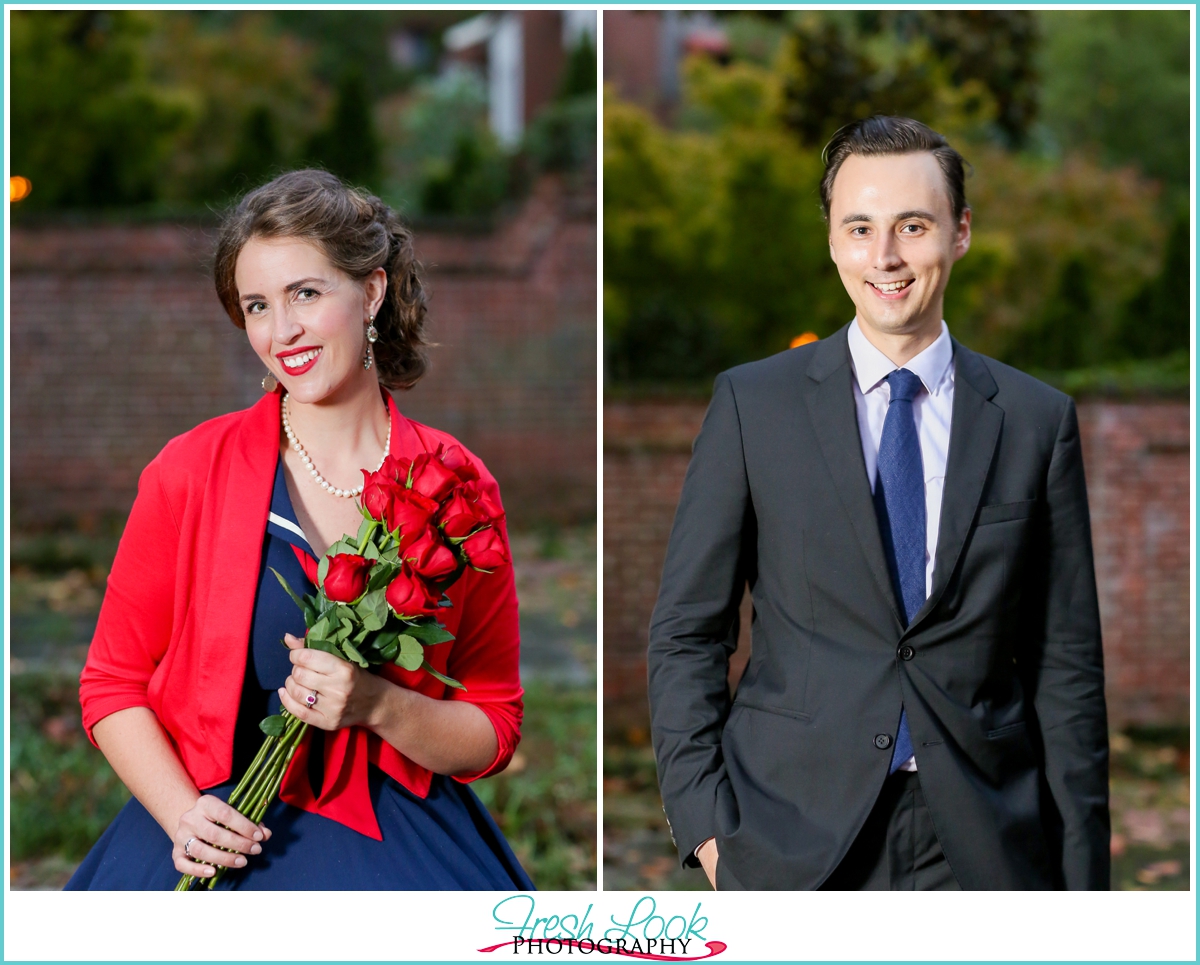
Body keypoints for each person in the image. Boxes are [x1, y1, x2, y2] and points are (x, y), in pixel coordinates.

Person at [647, 116, 1109, 891]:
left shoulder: (1036, 421)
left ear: (959, 233)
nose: (885, 256)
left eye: (913, 226)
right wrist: (707, 828)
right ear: (831, 239)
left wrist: (1085, 886)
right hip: (789, 837)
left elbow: (1065, 668)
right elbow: (687, 632)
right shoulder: (751, 406)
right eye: (860, 227)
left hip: (985, 843)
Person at [68, 170, 534, 890]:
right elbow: (112, 682)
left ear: (372, 291)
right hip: (213, 830)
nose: (280, 331)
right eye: (257, 305)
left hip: (395, 840)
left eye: (305, 294)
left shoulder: (456, 486)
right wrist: (182, 813)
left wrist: (381, 704)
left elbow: (493, 723)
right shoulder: (188, 471)